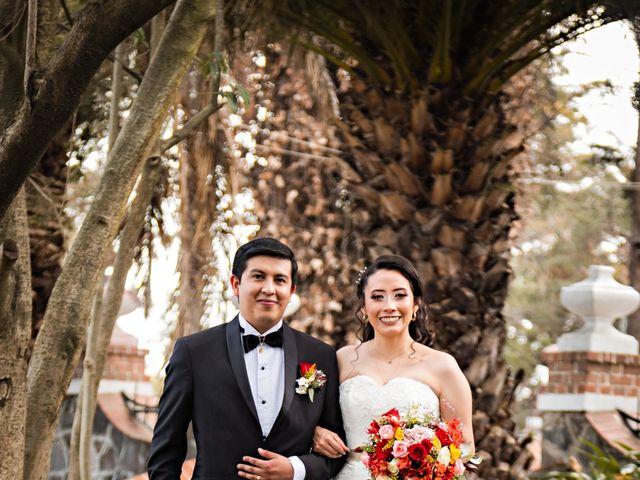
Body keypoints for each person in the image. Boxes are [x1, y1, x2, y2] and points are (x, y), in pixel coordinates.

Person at [148, 237, 346, 480]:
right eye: (259, 276)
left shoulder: (321, 356)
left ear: (291, 290)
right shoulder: (193, 352)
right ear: (236, 284)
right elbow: (165, 452)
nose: (269, 289)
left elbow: (338, 450)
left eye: (280, 280)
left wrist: (295, 469)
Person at [312, 255, 474, 480]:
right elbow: (309, 417)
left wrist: (423, 466)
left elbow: (464, 446)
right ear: (364, 306)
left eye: (400, 295)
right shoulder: (342, 360)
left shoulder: (442, 366)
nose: (389, 306)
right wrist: (315, 434)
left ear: (415, 304)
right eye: (378, 297)